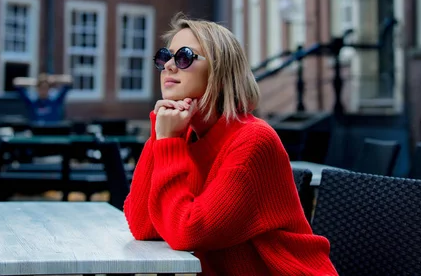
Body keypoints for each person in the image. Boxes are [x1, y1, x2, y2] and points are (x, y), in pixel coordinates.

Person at [124, 14, 338, 275]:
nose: (169, 66)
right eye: (164, 57)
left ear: (221, 71)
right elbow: (144, 226)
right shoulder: (185, 137)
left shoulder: (253, 141)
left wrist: (167, 141)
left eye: (184, 57)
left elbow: (188, 232)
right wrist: (161, 136)